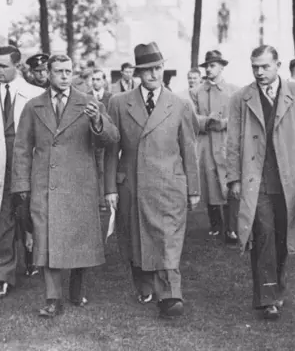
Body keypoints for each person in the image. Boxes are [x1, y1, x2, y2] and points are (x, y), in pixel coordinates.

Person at [11, 53, 119, 318]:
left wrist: (97, 121)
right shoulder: (34, 106)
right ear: (48, 73)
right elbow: (22, 148)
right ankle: (52, 298)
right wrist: (22, 184)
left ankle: (77, 289)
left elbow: (112, 138)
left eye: (68, 71)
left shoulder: (89, 103)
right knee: (47, 239)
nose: (64, 76)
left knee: (79, 238)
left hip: (79, 184)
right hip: (45, 184)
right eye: (58, 71)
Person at [226, 45, 295, 320]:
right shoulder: (241, 98)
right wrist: (233, 177)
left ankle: (276, 288)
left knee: (285, 237)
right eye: (254, 67)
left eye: (264, 66)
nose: (259, 72)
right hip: (256, 181)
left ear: (278, 65)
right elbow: (232, 142)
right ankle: (267, 298)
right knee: (263, 235)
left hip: (290, 181)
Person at [104, 42, 200, 318]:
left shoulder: (179, 104)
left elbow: (188, 149)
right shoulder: (119, 103)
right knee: (135, 239)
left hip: (168, 184)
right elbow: (112, 148)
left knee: (168, 239)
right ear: (137, 73)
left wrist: (193, 188)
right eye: (146, 70)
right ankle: (145, 285)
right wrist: (110, 187)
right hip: (131, 183)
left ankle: (171, 295)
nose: (153, 74)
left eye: (157, 68)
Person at [0, 46, 45, 299]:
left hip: (27, 164)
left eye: (2, 65)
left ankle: (36, 260)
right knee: (1, 219)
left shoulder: (36, 94)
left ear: (17, 65)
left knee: (29, 215)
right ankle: (3, 274)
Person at [190, 50, 239, 243]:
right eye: (207, 66)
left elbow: (239, 117)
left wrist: (225, 122)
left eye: (212, 65)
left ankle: (231, 227)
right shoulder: (197, 92)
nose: (209, 69)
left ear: (221, 67)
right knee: (210, 182)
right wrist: (207, 121)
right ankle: (216, 224)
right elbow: (192, 118)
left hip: (226, 142)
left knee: (229, 183)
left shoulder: (233, 90)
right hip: (206, 142)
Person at [90, 69, 113, 210]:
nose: (95, 82)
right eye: (93, 79)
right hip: (91, 140)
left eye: (98, 79)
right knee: (93, 169)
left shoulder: (111, 98)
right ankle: (94, 200)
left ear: (104, 81)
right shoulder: (85, 97)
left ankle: (104, 199)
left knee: (104, 168)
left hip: (105, 140)